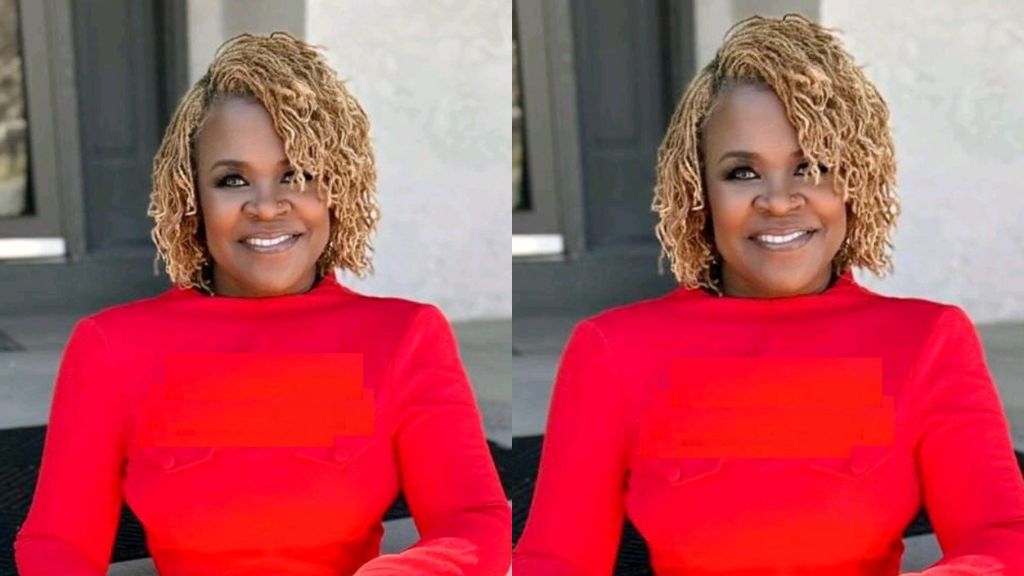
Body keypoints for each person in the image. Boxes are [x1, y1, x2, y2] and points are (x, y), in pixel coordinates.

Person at [513, 15, 1024, 576]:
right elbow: (557, 559)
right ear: (698, 191)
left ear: (855, 181)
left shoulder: (927, 342)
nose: (780, 201)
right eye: (742, 172)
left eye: (812, 166)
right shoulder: (613, 349)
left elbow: (1000, 540)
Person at [15, 32, 510, 575]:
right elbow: (57, 544)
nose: (268, 206)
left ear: (336, 188)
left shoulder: (404, 336)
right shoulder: (113, 346)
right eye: (232, 179)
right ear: (192, 199)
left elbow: (475, 520)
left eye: (295, 174)